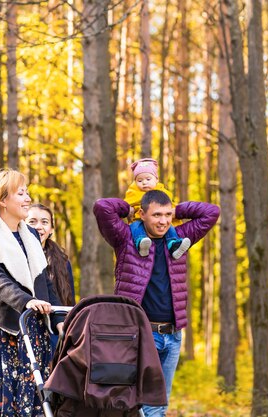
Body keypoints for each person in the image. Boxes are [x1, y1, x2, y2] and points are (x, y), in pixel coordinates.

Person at [93, 190, 219, 417]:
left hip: (172, 335)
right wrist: (130, 208)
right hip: (139, 334)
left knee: (159, 405)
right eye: (157, 215)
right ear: (143, 214)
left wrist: (176, 209)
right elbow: (103, 207)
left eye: (167, 215)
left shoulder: (178, 239)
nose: (163, 221)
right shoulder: (126, 239)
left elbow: (211, 212)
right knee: (132, 403)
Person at [0, 169, 64, 417]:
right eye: (21, 193)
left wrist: (59, 321)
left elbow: (45, 283)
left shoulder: (30, 235)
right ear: (3, 200)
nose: (28, 198)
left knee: (35, 401)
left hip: (32, 330)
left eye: (27, 192)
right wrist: (28, 301)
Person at [26, 203, 75, 352]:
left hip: (54, 330)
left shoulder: (62, 262)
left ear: (51, 230)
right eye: (32, 221)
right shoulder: (16, 256)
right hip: (25, 328)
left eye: (44, 222)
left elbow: (68, 301)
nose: (39, 226)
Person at [126, 158, 191, 259]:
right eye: (140, 180)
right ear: (135, 182)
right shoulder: (133, 193)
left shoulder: (162, 192)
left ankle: (173, 244)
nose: (144, 183)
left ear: (156, 180)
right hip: (139, 219)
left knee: (169, 226)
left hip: (158, 223)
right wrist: (128, 210)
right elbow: (125, 204)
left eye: (148, 179)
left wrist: (176, 212)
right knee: (135, 227)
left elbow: (169, 204)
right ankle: (141, 243)